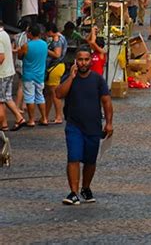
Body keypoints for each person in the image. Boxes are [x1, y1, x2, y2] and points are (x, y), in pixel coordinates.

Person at [56, 46, 113, 205]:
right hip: (74, 125)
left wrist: (109, 123)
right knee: (73, 157)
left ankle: (85, 188)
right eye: (80, 59)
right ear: (76, 61)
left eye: (86, 59)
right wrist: (71, 77)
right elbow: (59, 94)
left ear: (90, 60)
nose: (83, 63)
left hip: (93, 126)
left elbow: (107, 102)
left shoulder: (97, 80)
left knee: (90, 161)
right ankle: (73, 192)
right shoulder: (69, 78)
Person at [16, 24, 48, 127]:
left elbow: (20, 56)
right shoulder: (44, 44)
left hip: (29, 75)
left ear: (30, 34)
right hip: (40, 75)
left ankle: (31, 120)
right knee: (40, 96)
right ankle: (44, 118)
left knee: (29, 97)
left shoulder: (26, 45)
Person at [0, 20, 25, 131]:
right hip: (9, 71)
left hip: (2, 73)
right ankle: (15, 119)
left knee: (1, 100)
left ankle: (5, 122)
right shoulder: (5, 34)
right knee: (7, 98)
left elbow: (1, 57)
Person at [45, 23, 68, 124]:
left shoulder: (57, 39)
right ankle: (45, 115)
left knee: (54, 93)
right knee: (50, 93)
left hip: (55, 67)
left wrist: (46, 50)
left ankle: (58, 116)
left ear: (50, 31)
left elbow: (57, 54)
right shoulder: (61, 37)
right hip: (57, 67)